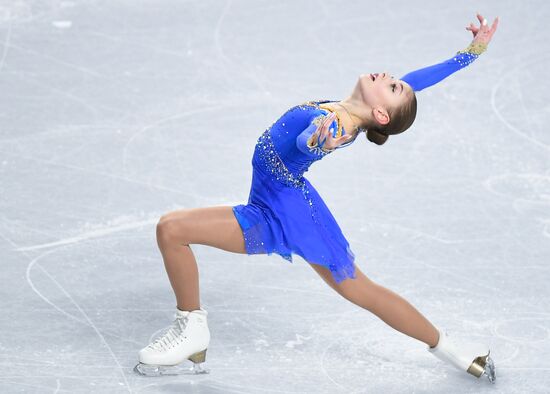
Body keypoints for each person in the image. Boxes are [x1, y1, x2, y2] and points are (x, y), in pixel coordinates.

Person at [134, 13, 500, 383]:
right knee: (358, 287)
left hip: (281, 210)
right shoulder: (349, 110)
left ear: (380, 114)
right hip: (273, 197)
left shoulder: (338, 125)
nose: (391, 77)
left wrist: (316, 142)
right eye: (394, 81)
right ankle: (458, 353)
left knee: (173, 230)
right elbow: (419, 80)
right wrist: (473, 51)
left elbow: (306, 140)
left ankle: (454, 350)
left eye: (392, 88)